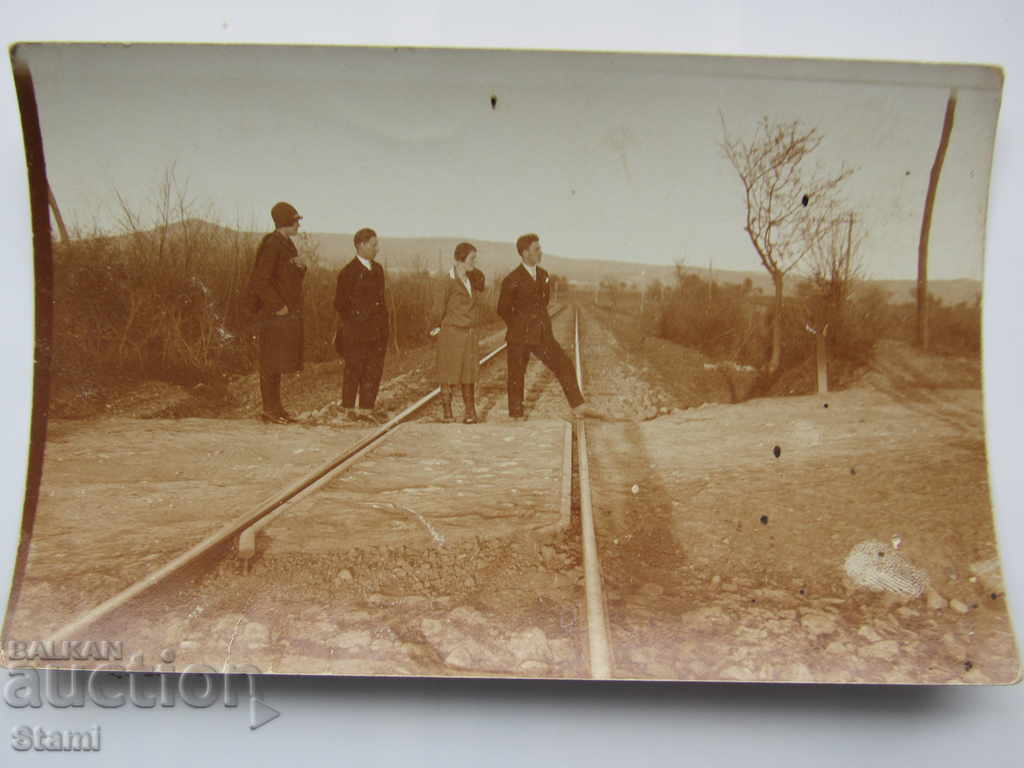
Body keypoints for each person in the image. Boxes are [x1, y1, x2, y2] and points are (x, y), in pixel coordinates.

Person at [497, 233, 603, 421]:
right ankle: (516, 414)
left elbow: (543, 302)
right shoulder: (512, 278)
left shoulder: (544, 275)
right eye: (537, 249)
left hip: (542, 335)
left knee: (563, 363)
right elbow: (503, 309)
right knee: (516, 374)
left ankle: (578, 405)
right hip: (519, 336)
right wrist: (520, 325)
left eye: (540, 248)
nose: (541, 252)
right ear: (524, 253)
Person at [247, 201, 306, 424]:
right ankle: (269, 410)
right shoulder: (272, 244)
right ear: (286, 222)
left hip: (283, 313)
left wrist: (301, 268)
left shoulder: (286, 243)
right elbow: (260, 281)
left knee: (277, 362)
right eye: (296, 220)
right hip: (273, 314)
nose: (299, 224)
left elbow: (287, 277)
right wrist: (277, 305)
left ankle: (276, 408)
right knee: (270, 363)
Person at [334, 227, 390, 420]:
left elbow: (382, 303)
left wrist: (383, 328)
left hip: (377, 332)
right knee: (353, 370)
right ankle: (348, 410)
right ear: (361, 245)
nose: (377, 249)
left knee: (373, 371)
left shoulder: (378, 270)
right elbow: (340, 304)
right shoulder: (348, 273)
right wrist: (358, 320)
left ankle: (367, 409)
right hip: (356, 333)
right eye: (374, 245)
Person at [429, 242, 486, 423]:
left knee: (468, 374)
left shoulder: (472, 280)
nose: (474, 262)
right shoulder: (446, 281)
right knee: (448, 373)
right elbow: (438, 308)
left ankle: (470, 412)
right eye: (472, 258)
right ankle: (447, 412)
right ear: (460, 259)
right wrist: (436, 326)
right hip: (451, 333)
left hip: (469, 333)